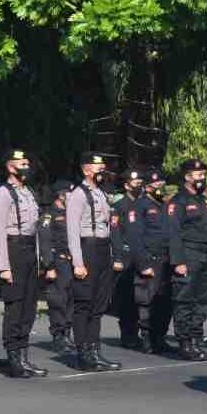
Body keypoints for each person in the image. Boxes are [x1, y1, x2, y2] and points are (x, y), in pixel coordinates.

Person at [0, 149, 49, 378]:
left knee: (28, 306)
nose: (27, 166)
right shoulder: (3, 194)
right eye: (22, 162)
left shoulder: (29, 192)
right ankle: (13, 358)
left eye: (28, 162)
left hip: (29, 252)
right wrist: (4, 266)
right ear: (10, 167)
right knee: (15, 306)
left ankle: (23, 356)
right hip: (13, 249)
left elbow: (36, 229)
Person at [66, 152, 124, 371]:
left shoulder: (101, 193)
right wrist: (78, 263)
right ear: (85, 169)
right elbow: (72, 231)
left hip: (102, 250)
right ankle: (83, 353)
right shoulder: (78, 194)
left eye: (103, 166)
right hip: (86, 249)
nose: (102, 169)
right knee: (84, 304)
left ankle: (94, 350)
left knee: (98, 305)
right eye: (97, 166)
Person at [167, 159, 207, 361]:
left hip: (204, 255)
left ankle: (197, 341)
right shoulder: (178, 201)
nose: (202, 178)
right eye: (198, 175)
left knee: (202, 300)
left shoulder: (201, 200)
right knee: (185, 301)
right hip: (187, 255)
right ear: (187, 176)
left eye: (203, 175)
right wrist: (178, 261)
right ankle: (185, 344)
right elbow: (173, 233)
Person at [128, 170, 174, 355]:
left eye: (162, 185)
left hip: (166, 260)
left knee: (165, 302)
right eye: (155, 185)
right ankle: (146, 339)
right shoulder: (139, 206)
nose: (159, 188)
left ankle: (160, 337)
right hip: (150, 260)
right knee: (146, 302)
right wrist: (142, 264)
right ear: (147, 187)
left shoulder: (164, 205)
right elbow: (134, 237)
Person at [38, 180, 77, 355]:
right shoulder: (49, 215)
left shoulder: (72, 213)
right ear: (61, 195)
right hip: (58, 262)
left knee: (70, 300)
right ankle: (59, 336)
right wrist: (49, 266)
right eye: (70, 194)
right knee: (57, 301)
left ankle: (67, 333)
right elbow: (45, 242)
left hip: (72, 262)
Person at [111, 169, 145, 350]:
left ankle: (142, 333)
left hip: (143, 255)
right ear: (126, 186)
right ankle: (128, 334)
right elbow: (115, 234)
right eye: (135, 183)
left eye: (141, 182)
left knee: (143, 297)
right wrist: (117, 257)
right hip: (126, 257)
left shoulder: (144, 204)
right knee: (127, 297)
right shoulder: (120, 207)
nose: (139, 186)